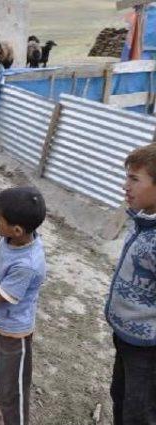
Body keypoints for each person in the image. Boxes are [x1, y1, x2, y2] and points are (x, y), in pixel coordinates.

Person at [0, 187, 46, 425]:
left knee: (12, 388)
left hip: (14, 334)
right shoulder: (8, 239)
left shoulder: (27, 263)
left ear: (17, 230)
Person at [106, 144, 156, 425]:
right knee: (121, 396)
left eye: (134, 180)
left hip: (148, 349)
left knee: (140, 413)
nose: (125, 186)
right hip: (127, 337)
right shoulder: (142, 221)